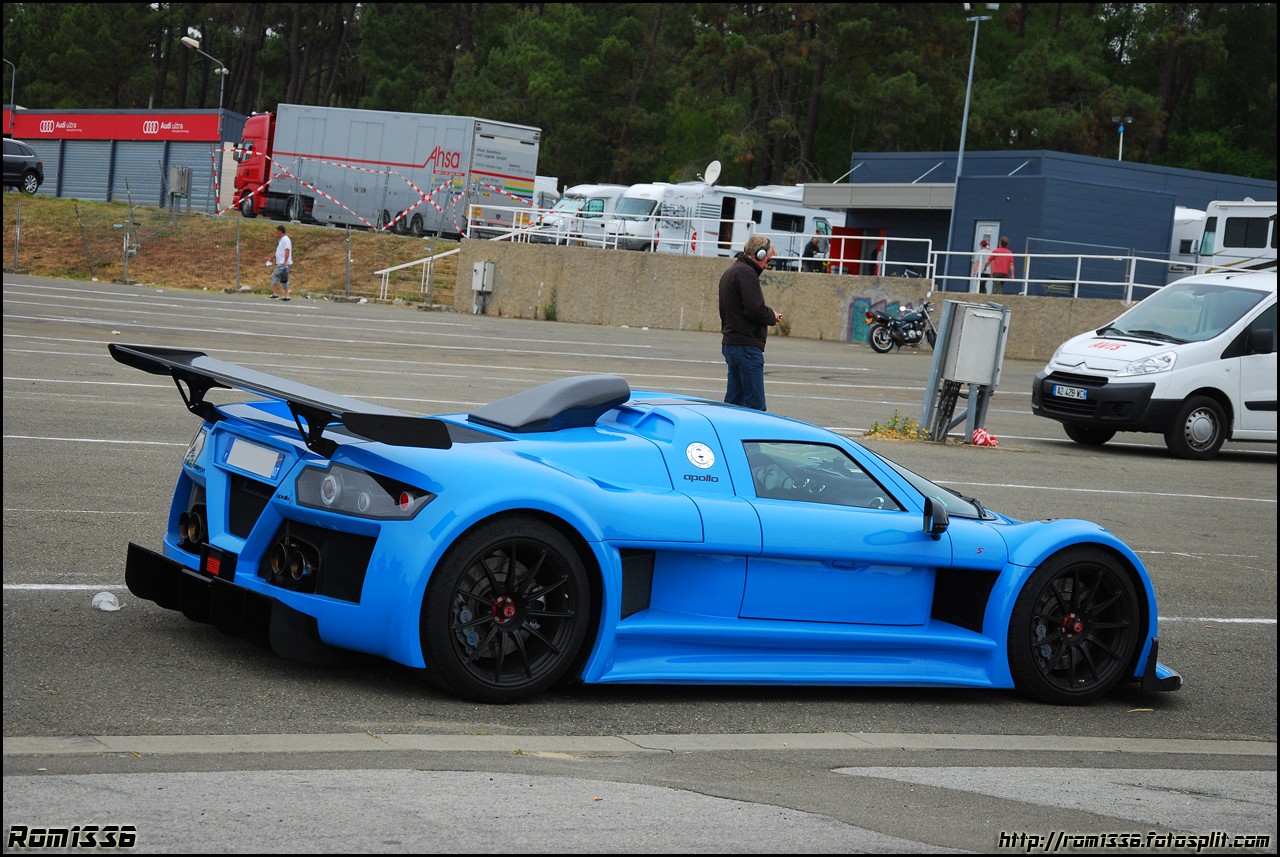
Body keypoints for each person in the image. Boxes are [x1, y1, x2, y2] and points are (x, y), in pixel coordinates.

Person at [719, 234, 782, 411]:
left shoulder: (733, 271)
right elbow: (755, 309)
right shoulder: (746, 273)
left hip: (733, 343)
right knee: (755, 407)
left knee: (733, 404)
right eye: (767, 259)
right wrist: (772, 315)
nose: (767, 264)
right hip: (745, 346)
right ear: (759, 255)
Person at [268, 225, 293, 301]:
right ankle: (284, 295)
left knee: (275, 276)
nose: (276, 233)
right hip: (282, 262)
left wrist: (285, 262)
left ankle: (277, 294)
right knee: (283, 278)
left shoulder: (285, 239)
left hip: (283, 263)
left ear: (280, 231)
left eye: (277, 232)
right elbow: (279, 252)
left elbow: (287, 250)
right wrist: (271, 257)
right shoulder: (281, 240)